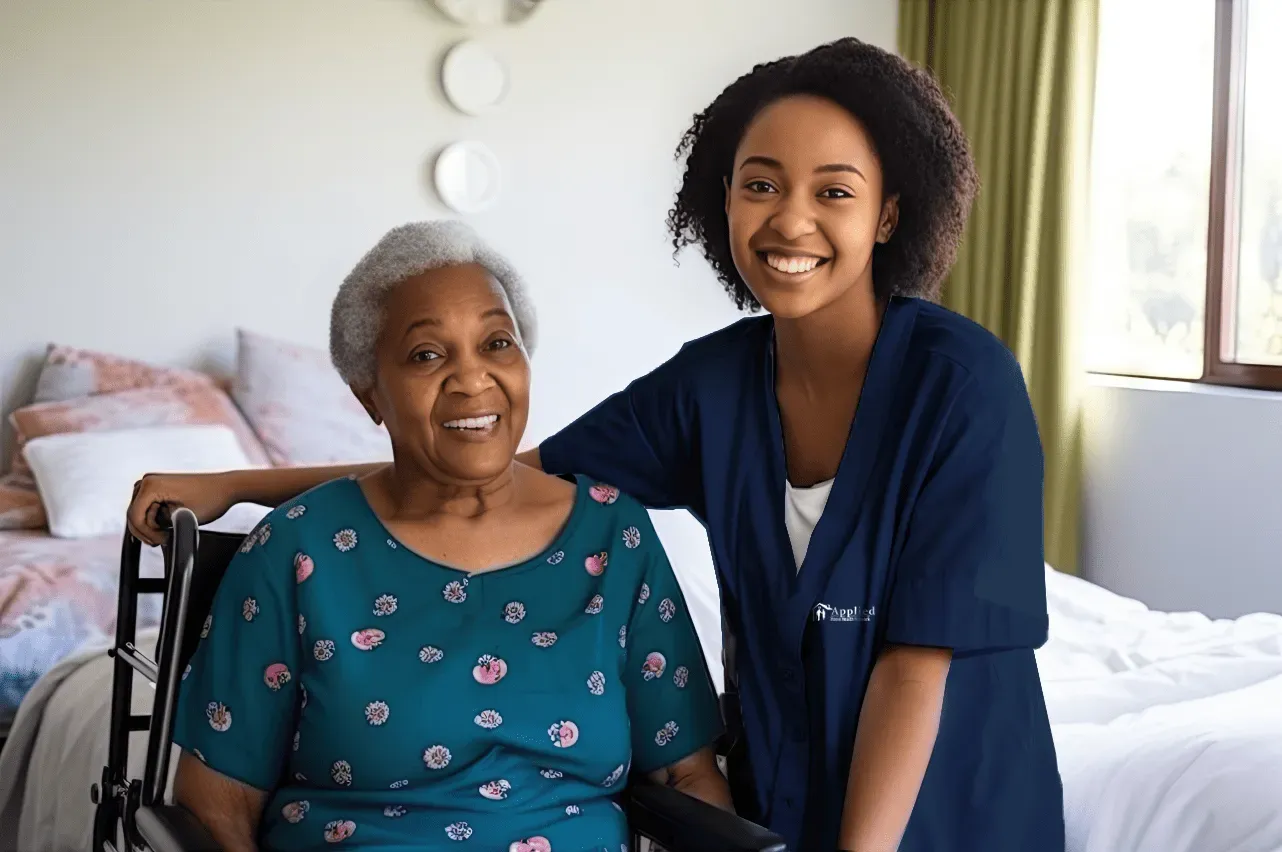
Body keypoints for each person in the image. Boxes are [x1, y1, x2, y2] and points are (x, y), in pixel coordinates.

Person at [131, 38, 1064, 852]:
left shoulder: (960, 383)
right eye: (760, 184)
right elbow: (487, 463)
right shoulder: (714, 385)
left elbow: (914, 661)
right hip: (790, 799)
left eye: (835, 192)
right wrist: (239, 485)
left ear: (890, 215)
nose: (790, 220)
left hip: (947, 804)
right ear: (722, 199)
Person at [164, 221, 731, 851]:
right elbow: (218, 805)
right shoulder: (297, 551)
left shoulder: (613, 533)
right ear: (369, 395)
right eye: (427, 355)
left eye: (497, 343)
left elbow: (687, 775)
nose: (471, 379)